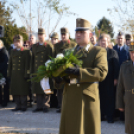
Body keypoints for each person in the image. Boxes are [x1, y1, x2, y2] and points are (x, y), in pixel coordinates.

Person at [55, 18, 108, 134]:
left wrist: (79, 72)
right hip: (70, 98)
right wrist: (58, 78)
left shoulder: (97, 51)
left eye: (82, 32)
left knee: (86, 129)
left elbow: (101, 72)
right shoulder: (67, 52)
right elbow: (62, 75)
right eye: (77, 32)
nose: (78, 35)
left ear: (90, 34)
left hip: (86, 100)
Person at [31, 28, 53, 113]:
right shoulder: (34, 46)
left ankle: (46, 106)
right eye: (39, 35)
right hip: (37, 70)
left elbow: (51, 59)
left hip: (45, 71)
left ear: (45, 35)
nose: (40, 36)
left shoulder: (48, 46)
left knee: (46, 88)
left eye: (42, 34)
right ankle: (39, 106)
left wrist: (49, 70)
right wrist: (32, 71)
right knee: (38, 89)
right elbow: (32, 59)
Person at [54, 27, 76, 113]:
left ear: (68, 35)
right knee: (60, 88)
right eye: (62, 34)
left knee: (70, 88)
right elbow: (54, 57)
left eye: (65, 34)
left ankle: (70, 106)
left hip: (69, 69)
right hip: (60, 70)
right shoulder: (57, 45)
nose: (63, 36)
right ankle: (60, 106)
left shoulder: (73, 45)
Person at [99, 34, 119, 123]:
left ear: (108, 42)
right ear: (99, 42)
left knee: (110, 98)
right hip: (99, 79)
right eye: (102, 41)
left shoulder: (112, 52)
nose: (103, 42)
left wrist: (116, 78)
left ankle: (110, 117)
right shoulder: (96, 52)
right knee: (100, 97)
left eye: (105, 41)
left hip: (110, 80)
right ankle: (101, 115)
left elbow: (116, 66)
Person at [7, 35, 31, 112]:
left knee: (23, 91)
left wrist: (27, 74)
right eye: (15, 41)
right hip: (14, 74)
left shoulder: (26, 51)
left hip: (22, 74)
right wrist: (9, 74)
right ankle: (18, 105)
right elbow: (10, 64)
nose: (17, 43)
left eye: (18, 41)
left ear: (21, 42)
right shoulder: (12, 52)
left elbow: (28, 64)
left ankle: (24, 106)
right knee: (16, 91)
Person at [116, 42, 134, 134]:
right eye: (131, 52)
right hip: (129, 102)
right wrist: (119, 104)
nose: (133, 54)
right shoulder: (124, 67)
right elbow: (120, 87)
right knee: (130, 127)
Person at [113, 32, 130, 121]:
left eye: (121, 38)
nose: (120, 40)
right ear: (116, 39)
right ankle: (116, 114)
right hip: (116, 76)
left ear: (124, 39)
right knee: (116, 95)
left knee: (124, 95)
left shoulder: (128, 50)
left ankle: (123, 116)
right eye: (118, 38)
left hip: (125, 77)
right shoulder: (113, 49)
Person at [0, 40, 9, 107]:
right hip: (1, 71)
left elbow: (5, 63)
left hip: (4, 72)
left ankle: (5, 101)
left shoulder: (4, 51)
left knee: (5, 87)